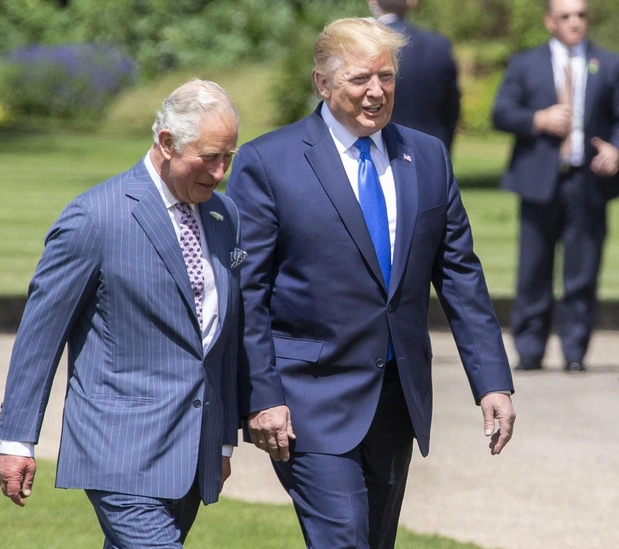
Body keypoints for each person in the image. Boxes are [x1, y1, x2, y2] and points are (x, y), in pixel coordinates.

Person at [226, 17, 516, 549]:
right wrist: (262, 396)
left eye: (386, 77)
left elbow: (460, 276)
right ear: (322, 83)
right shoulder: (269, 162)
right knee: (343, 537)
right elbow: (247, 292)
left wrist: (492, 381)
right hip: (307, 400)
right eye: (360, 78)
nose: (376, 92)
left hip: (395, 401)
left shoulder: (426, 157)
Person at [0, 79, 243, 548]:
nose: (220, 171)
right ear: (166, 142)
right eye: (209, 157)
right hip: (118, 452)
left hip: (192, 454)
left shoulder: (223, 216)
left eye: (228, 156)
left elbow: (221, 335)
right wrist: (15, 440)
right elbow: (40, 337)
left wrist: (222, 439)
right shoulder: (95, 217)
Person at [491, 0, 619, 373]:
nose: (575, 22)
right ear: (550, 21)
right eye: (566, 16)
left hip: (586, 181)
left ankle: (575, 350)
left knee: (582, 270)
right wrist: (538, 119)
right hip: (539, 180)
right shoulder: (525, 63)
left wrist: (615, 148)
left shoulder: (608, 63)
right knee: (533, 269)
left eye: (580, 15)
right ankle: (530, 349)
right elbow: (501, 112)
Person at [368, 0, 461, 152]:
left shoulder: (365, 44)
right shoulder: (439, 45)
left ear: (372, 1)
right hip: (431, 148)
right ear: (412, 2)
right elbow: (451, 109)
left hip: (379, 148)